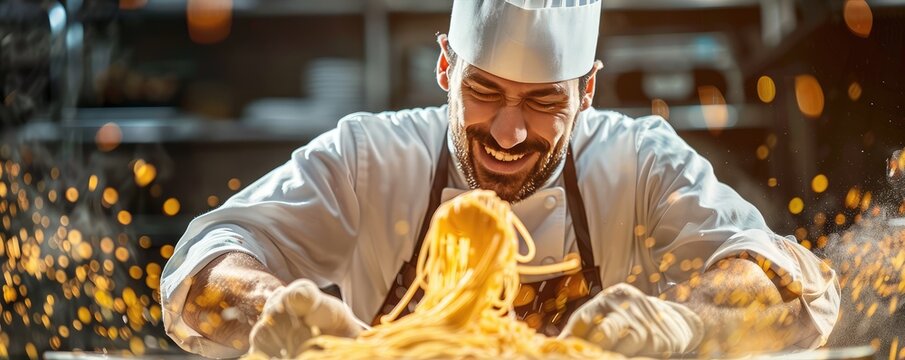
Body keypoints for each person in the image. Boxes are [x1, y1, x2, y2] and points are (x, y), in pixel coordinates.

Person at [161, 0, 840, 358]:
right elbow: (200, 268)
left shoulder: (641, 163)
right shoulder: (369, 157)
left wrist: (684, 322)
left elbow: (788, 288)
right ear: (445, 70)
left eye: (545, 102)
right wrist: (267, 310)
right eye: (483, 92)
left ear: (587, 92)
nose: (509, 133)